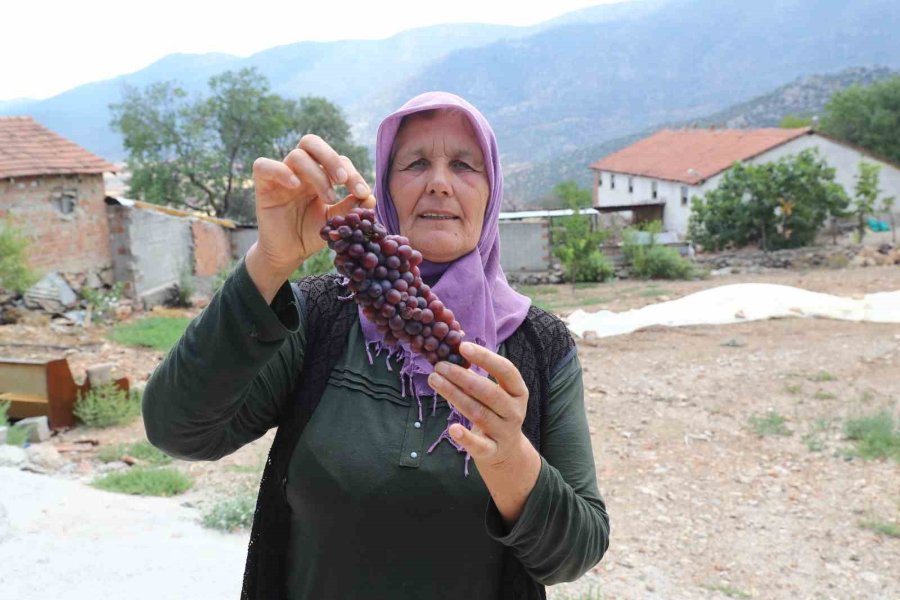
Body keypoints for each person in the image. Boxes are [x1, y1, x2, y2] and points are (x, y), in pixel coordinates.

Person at [143, 91, 609, 600]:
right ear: (385, 186)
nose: (438, 182)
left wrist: (509, 460)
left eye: (463, 165)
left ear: (491, 191)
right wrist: (270, 261)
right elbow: (179, 431)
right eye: (414, 163)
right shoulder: (320, 315)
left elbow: (574, 555)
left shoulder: (537, 345)